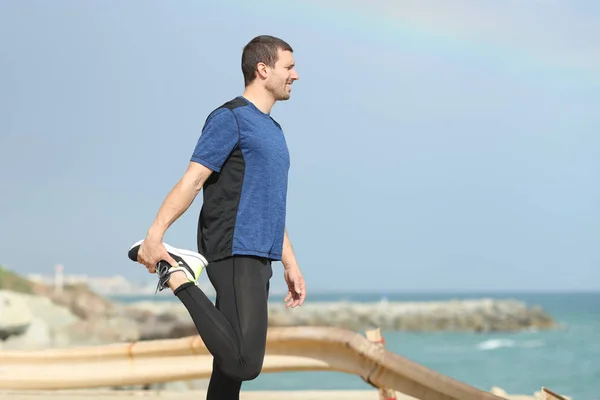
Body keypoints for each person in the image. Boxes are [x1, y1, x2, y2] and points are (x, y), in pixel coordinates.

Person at [131, 35, 306, 400]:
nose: (296, 75)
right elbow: (193, 179)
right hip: (233, 246)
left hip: (261, 253)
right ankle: (178, 276)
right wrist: (155, 234)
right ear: (263, 69)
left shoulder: (273, 131)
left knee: (229, 374)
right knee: (244, 362)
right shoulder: (230, 118)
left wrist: (290, 262)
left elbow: (271, 202)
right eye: (288, 67)